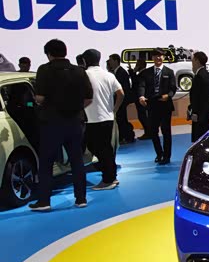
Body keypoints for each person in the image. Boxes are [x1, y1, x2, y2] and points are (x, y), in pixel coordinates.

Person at [29, 39, 93, 211]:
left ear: (49, 54)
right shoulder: (79, 71)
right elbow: (89, 98)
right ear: (65, 52)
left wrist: (39, 102)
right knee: (77, 161)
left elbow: (40, 97)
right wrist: (75, 108)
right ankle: (81, 199)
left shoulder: (44, 70)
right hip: (75, 122)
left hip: (52, 123)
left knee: (47, 163)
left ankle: (44, 201)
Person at [84, 49, 124, 190]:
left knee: (97, 148)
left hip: (92, 118)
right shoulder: (109, 75)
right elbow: (121, 94)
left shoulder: (85, 75)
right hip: (107, 117)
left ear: (85, 60)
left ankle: (108, 179)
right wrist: (114, 109)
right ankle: (111, 176)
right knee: (106, 148)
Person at [138, 48, 177, 165]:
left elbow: (173, 88)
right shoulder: (146, 73)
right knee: (153, 132)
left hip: (165, 106)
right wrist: (141, 96)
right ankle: (159, 154)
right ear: (152, 58)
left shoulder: (169, 72)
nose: (158, 58)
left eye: (160, 56)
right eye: (156, 56)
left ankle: (167, 156)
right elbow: (141, 86)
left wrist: (168, 96)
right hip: (152, 105)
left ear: (163, 57)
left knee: (166, 132)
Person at [188, 51, 209, 142]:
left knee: (199, 137)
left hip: (200, 113)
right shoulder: (207, 75)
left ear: (197, 60)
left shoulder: (199, 76)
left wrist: (194, 112)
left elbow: (197, 97)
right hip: (206, 112)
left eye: (193, 59)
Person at [107, 53, 135, 144]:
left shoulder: (121, 73)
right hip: (119, 100)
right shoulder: (116, 72)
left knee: (122, 119)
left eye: (111, 60)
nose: (109, 62)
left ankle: (127, 136)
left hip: (122, 100)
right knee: (120, 119)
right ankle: (124, 136)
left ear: (116, 61)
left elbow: (124, 88)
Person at [131, 56, 152, 140]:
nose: (136, 65)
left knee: (143, 116)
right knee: (144, 116)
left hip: (141, 98)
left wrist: (133, 72)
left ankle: (148, 133)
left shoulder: (142, 74)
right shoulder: (145, 73)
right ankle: (149, 132)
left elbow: (135, 84)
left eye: (137, 64)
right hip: (143, 98)